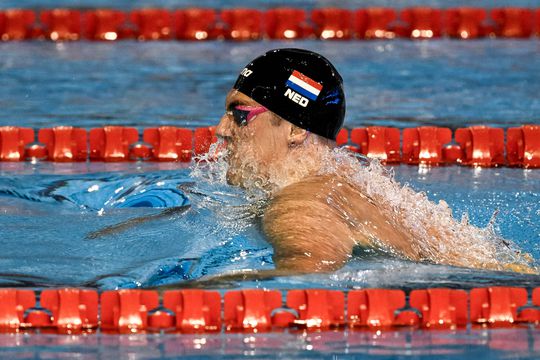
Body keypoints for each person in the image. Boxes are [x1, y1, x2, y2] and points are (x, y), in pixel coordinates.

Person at [215, 48, 535, 274]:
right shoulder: (346, 182)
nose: (221, 130)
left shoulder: (299, 204)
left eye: (239, 115)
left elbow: (305, 277)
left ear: (296, 129)